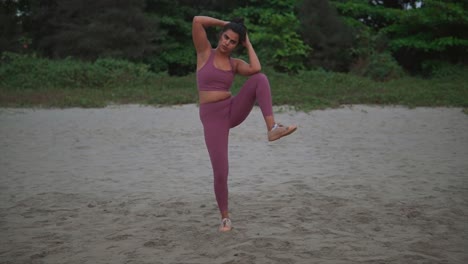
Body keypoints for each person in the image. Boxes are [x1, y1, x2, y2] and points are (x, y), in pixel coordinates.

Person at [192, 15, 297, 232]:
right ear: (221, 36)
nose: (226, 43)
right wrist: (227, 24)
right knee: (221, 170)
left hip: (231, 110)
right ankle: (225, 218)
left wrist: (247, 41)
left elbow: (256, 68)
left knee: (261, 79)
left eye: (232, 41)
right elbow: (196, 21)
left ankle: (272, 128)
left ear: (236, 45)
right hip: (212, 118)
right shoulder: (204, 53)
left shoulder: (235, 64)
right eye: (225, 38)